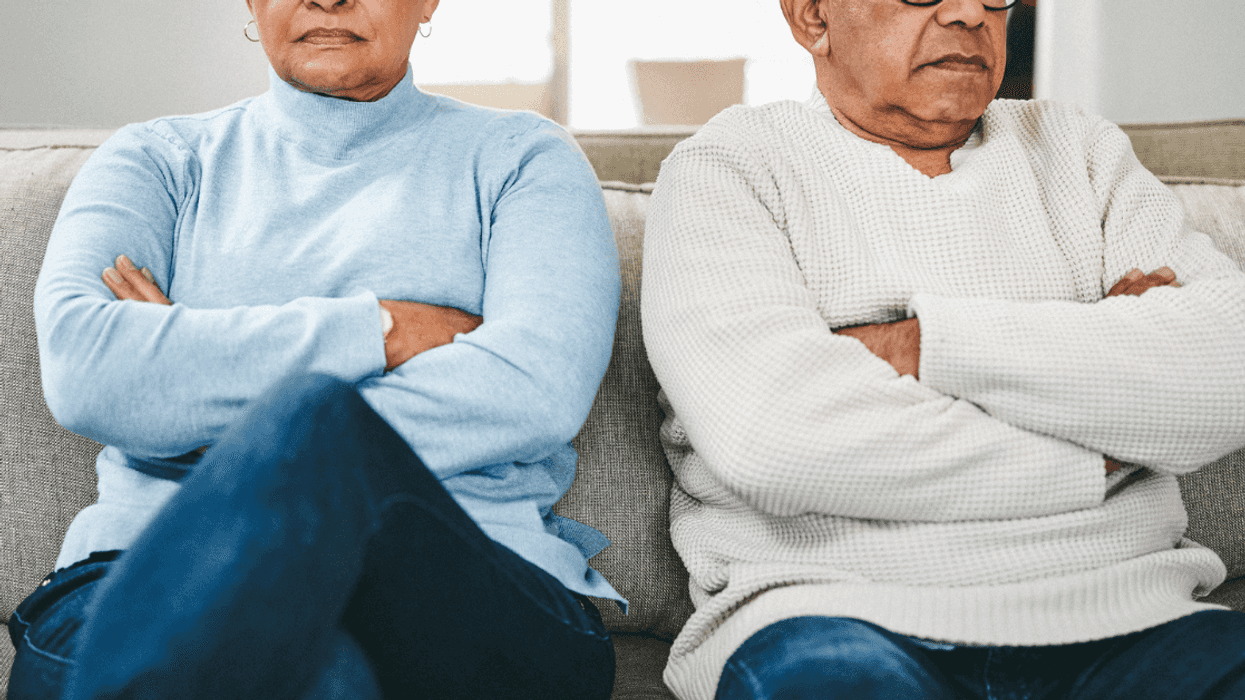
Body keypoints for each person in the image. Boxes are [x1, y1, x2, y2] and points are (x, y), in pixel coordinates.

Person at [9, 0, 622, 698]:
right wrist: (382, 330)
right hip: (142, 566)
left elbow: (533, 388)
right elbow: (87, 370)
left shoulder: (523, 159)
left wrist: (207, 388)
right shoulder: (156, 160)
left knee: (315, 420)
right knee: (324, 678)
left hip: (457, 575)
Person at [640, 0, 1245, 699]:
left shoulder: (1079, 148)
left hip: (1135, 617)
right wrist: (1098, 440)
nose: (968, 14)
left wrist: (921, 343)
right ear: (812, 17)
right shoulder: (729, 166)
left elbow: (1228, 370)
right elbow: (772, 443)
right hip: (830, 617)